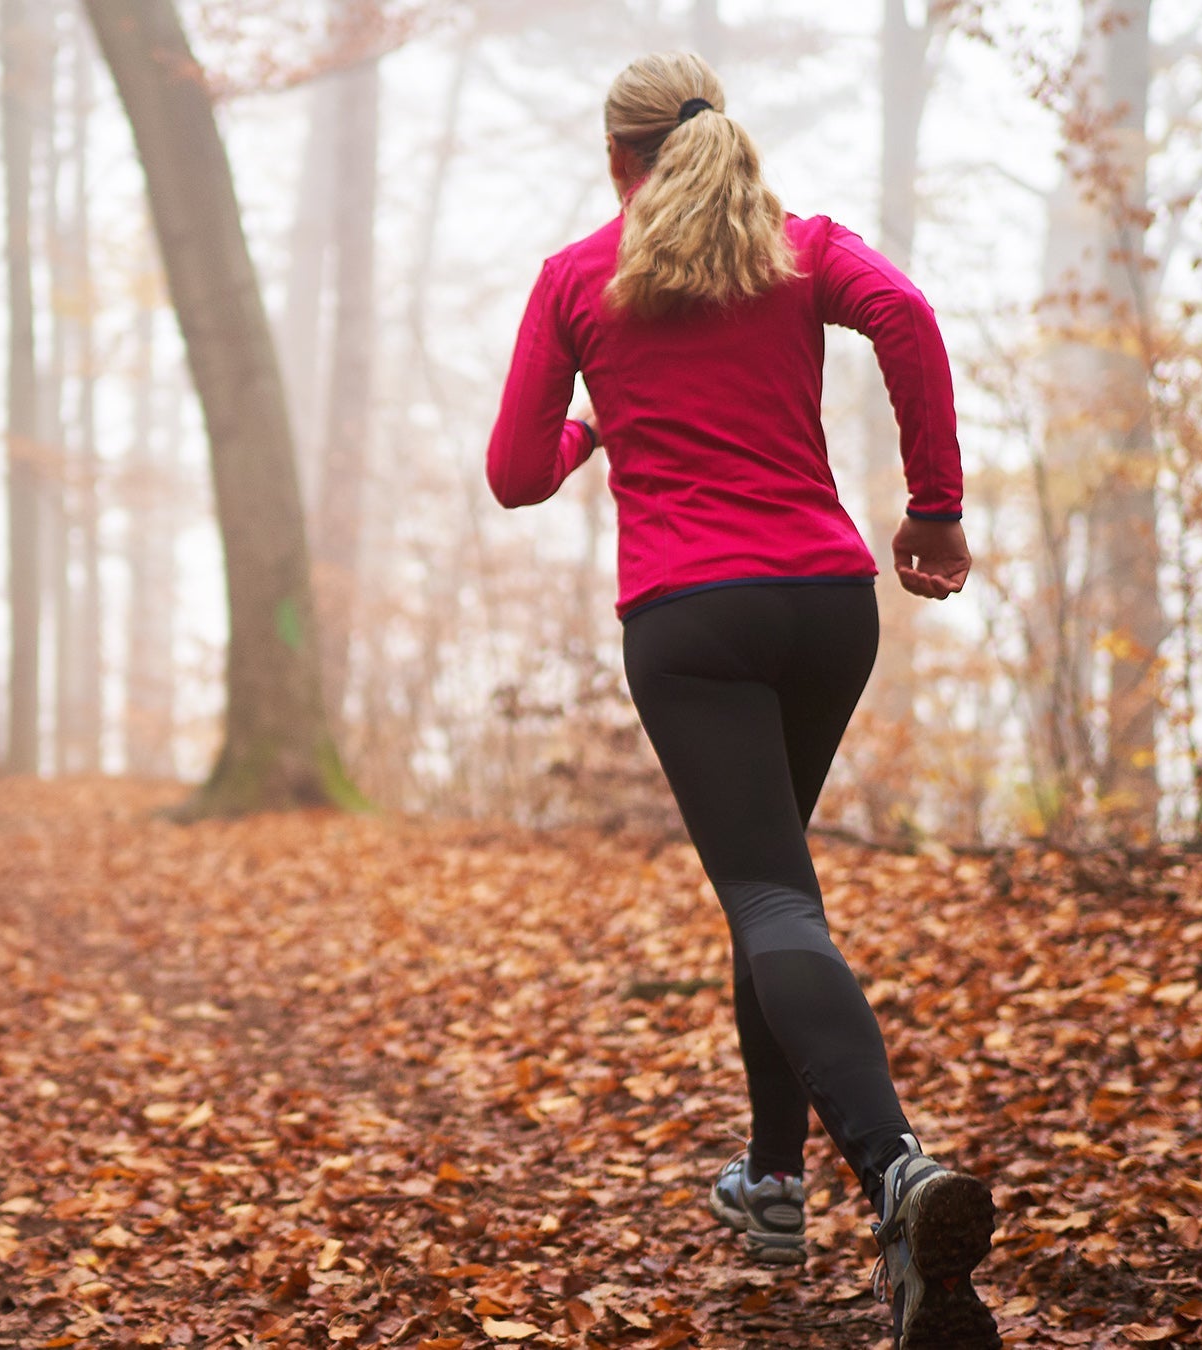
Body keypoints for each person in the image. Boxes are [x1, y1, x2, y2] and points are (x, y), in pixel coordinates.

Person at [484, 51, 997, 1350]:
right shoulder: (804, 247)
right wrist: (933, 507)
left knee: (768, 896)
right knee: (773, 891)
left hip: (690, 620)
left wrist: (590, 432)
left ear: (619, 159)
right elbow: (910, 316)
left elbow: (513, 475)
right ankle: (773, 1182)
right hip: (826, 604)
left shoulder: (575, 279)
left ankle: (893, 1170)